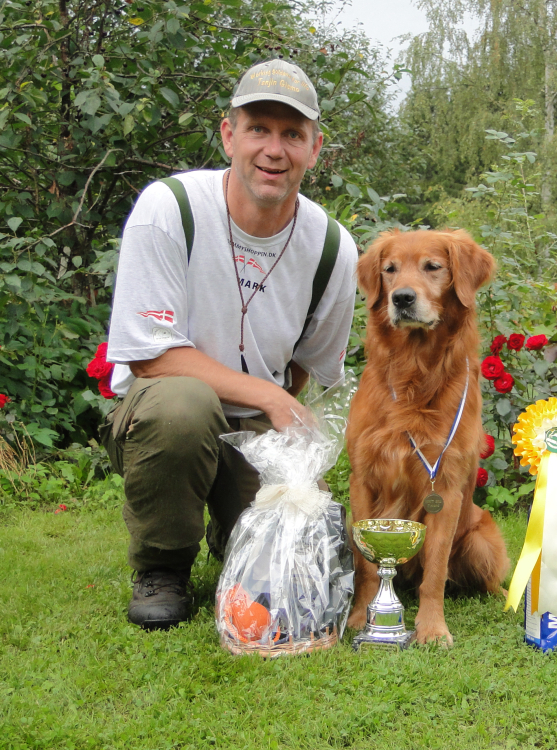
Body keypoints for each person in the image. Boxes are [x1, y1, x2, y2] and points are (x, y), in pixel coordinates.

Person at [100, 59, 358, 630]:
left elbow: (309, 366)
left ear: (315, 149)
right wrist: (268, 396)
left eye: (292, 134)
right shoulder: (170, 208)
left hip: (255, 430)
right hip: (164, 414)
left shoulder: (333, 248)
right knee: (184, 407)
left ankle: (233, 529)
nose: (274, 150)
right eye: (258, 129)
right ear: (228, 135)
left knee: (303, 559)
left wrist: (283, 450)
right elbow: (149, 354)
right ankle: (163, 565)